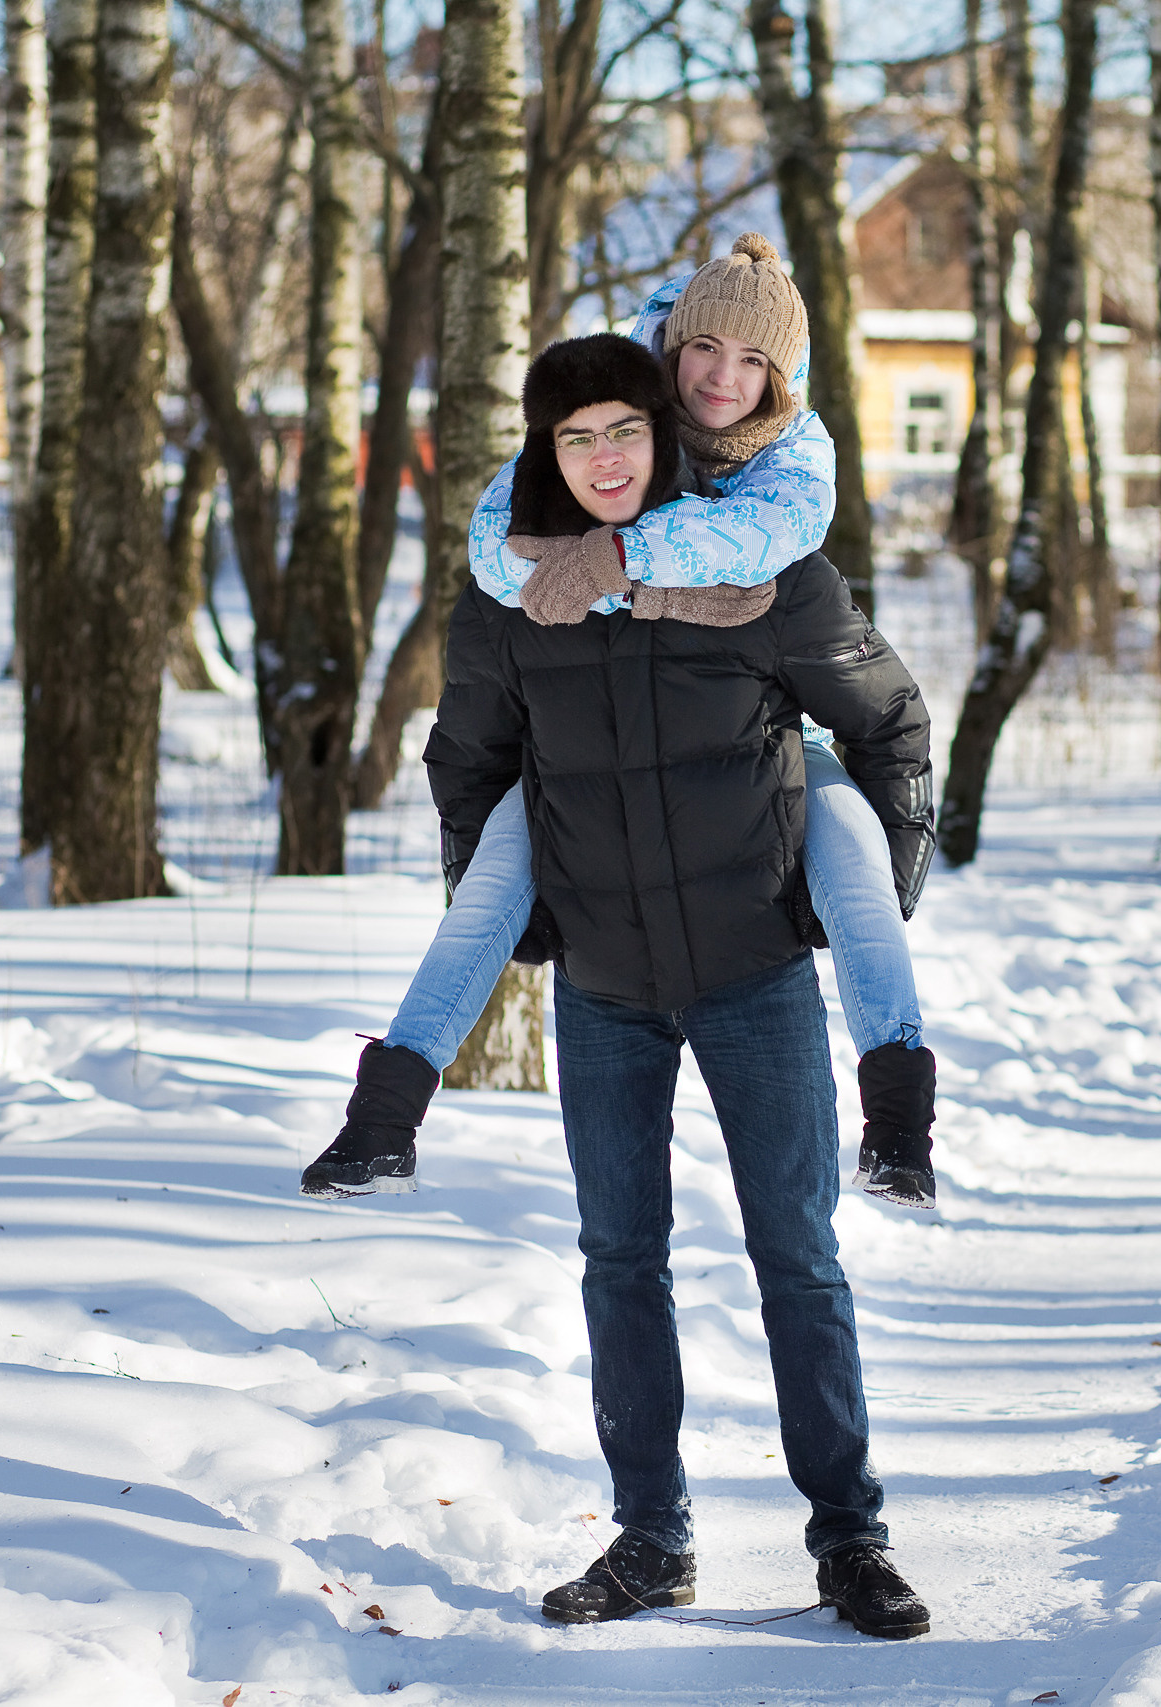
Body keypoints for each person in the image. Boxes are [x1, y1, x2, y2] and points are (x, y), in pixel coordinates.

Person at [421, 331, 935, 1636]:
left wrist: (865, 884)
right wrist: (513, 914)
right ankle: (651, 1539)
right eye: (575, 437)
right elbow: (465, 755)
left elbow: (887, 719)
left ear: (662, 435)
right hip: (603, 988)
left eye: (626, 430)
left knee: (797, 1255)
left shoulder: (768, 577)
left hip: (753, 972)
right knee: (618, 1259)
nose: (605, 456)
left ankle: (851, 1539)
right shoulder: (511, 595)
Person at [301, 234, 939, 1211]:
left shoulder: (788, 466)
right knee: (491, 883)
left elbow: (783, 552)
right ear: (671, 346)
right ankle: (381, 1121)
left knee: (853, 860)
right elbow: (500, 548)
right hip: (592, 751)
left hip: (763, 746)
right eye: (705, 350)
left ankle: (898, 1125)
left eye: (754, 361)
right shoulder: (609, 427)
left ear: (780, 378)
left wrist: (613, 561)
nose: (725, 378)